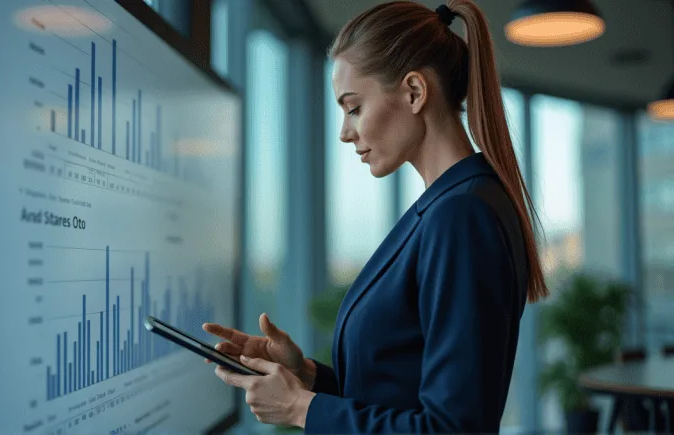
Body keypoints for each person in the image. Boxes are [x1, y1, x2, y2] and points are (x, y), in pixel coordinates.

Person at [202, 0, 549, 433]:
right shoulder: (453, 205)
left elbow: (453, 427)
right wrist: (307, 378)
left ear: (414, 92)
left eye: (354, 107)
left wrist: (300, 409)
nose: (346, 132)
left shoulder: (460, 215)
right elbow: (399, 388)